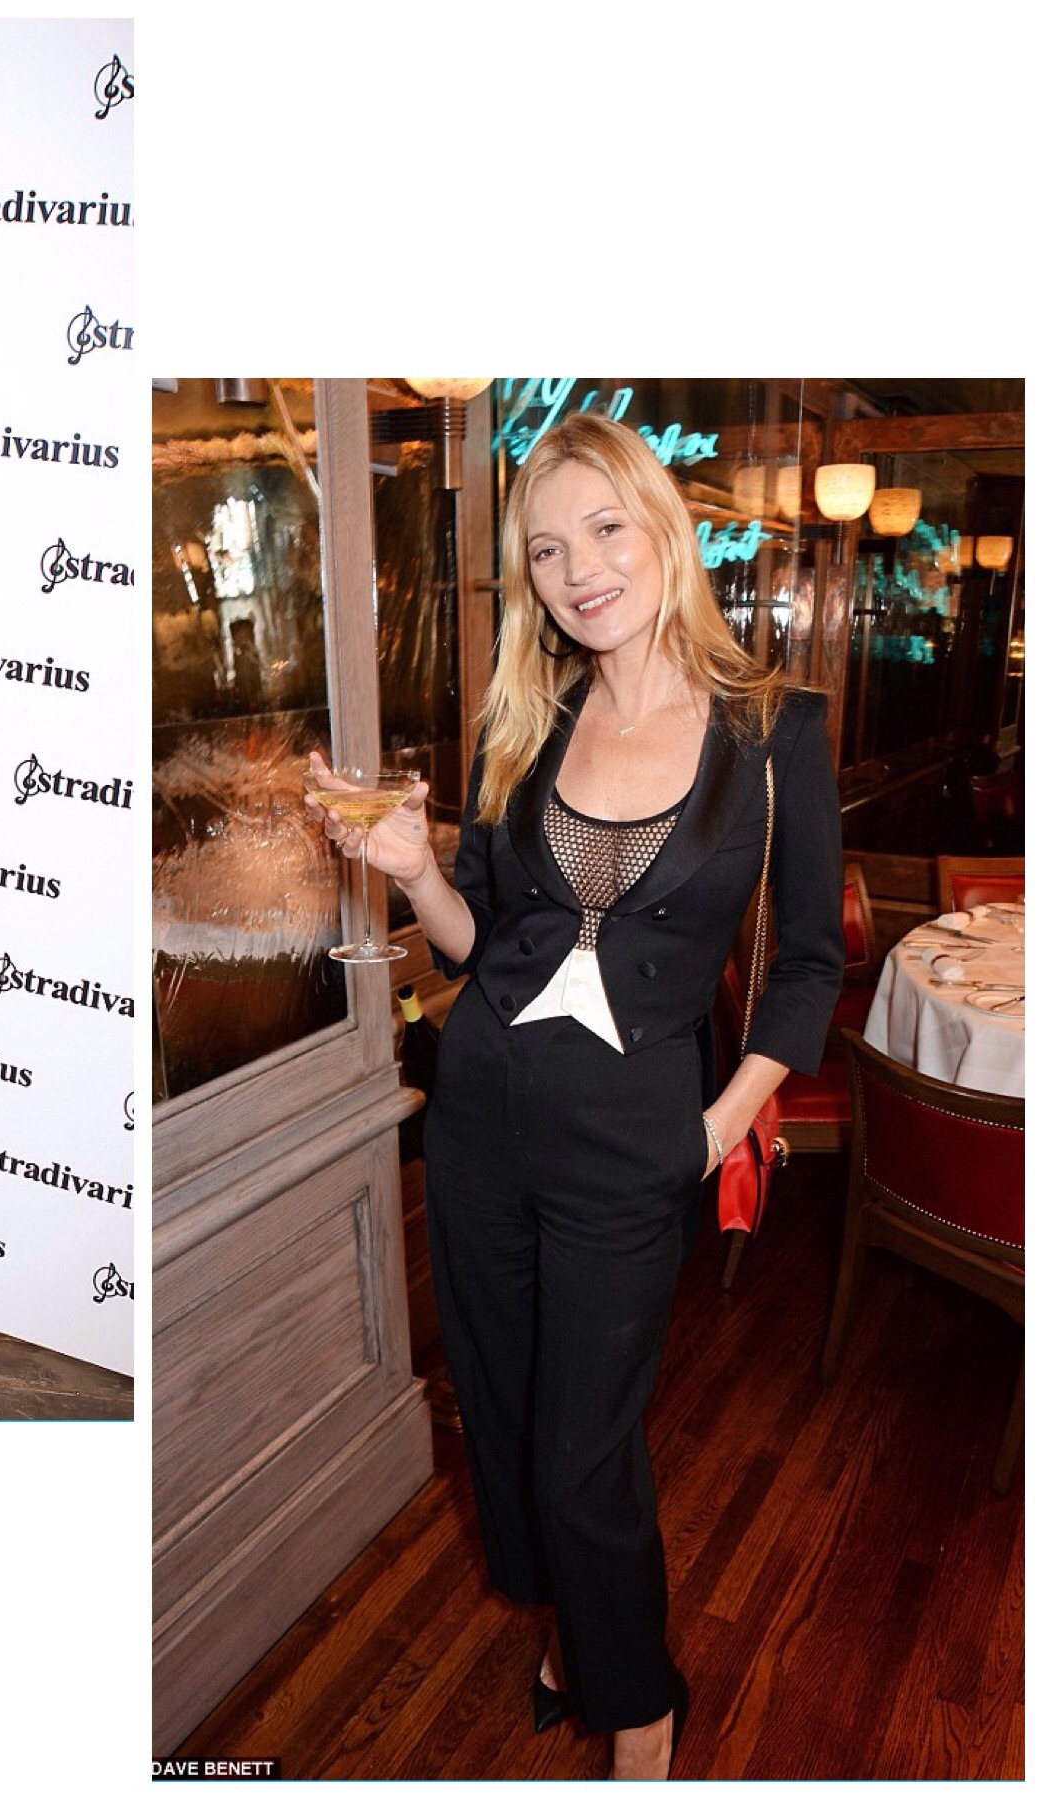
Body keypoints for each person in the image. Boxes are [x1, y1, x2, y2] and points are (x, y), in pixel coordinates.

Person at [309, 411, 842, 1776]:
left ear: (663, 528)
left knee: (581, 1454)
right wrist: (414, 872)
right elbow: (482, 944)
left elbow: (808, 968)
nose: (578, 570)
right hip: (481, 1123)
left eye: (603, 529)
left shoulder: (775, 733)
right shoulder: (528, 721)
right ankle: (570, 1637)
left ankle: (641, 1705)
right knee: (500, 1416)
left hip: (636, 1145)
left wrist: (712, 1129)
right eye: (546, 550)